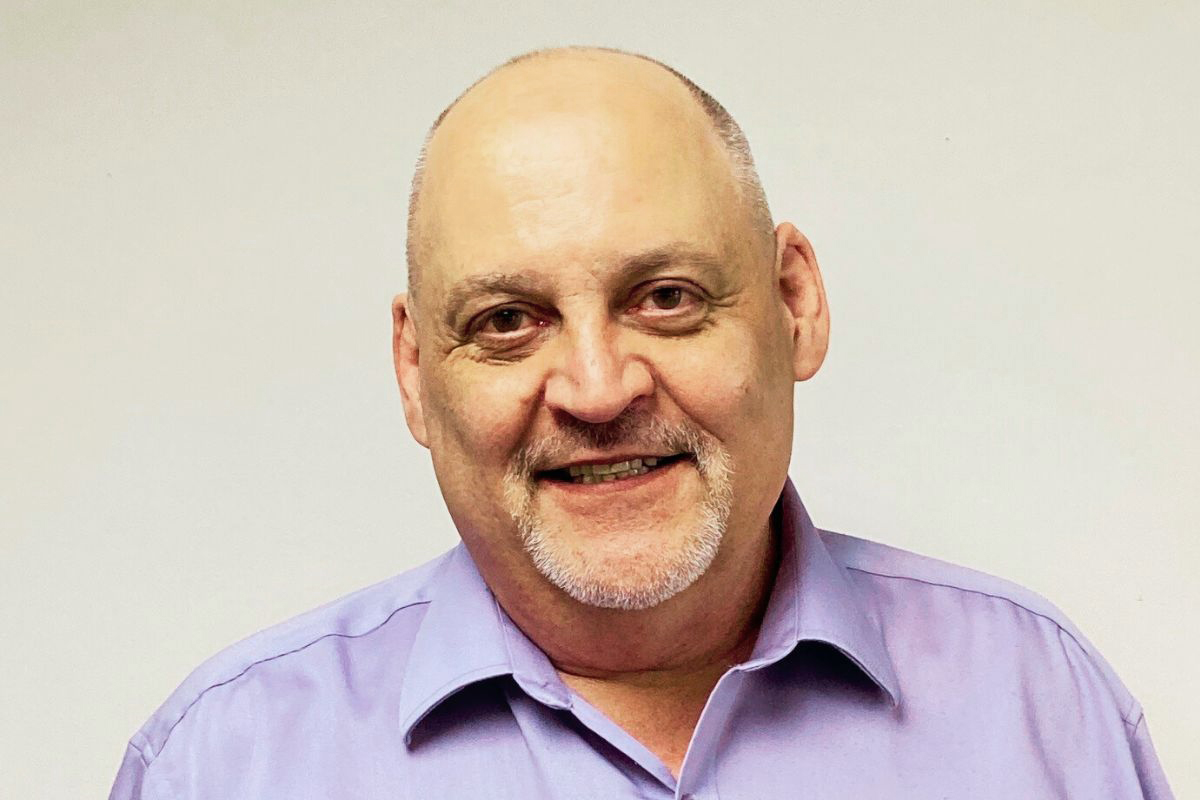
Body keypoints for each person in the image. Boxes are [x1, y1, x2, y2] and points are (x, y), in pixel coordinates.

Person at [109, 46, 1174, 799]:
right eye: (508, 320)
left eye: (664, 298)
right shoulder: (224, 764)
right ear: (414, 369)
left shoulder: (1041, 709)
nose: (597, 386)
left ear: (794, 302)